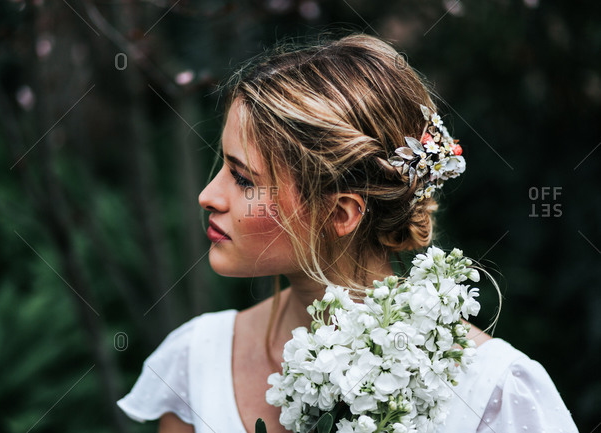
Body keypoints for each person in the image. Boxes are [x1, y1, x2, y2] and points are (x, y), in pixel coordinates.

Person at [116, 33, 579, 433]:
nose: (207, 196)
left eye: (243, 179)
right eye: (223, 166)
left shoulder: (494, 391)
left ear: (341, 213)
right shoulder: (195, 362)